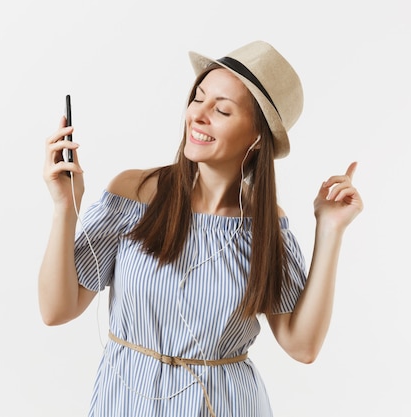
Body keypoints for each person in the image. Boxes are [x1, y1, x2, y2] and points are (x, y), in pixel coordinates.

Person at [39, 40, 363, 417]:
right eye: (199, 98)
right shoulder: (134, 194)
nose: (199, 115)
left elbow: (302, 346)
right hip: (126, 401)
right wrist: (65, 206)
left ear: (257, 137)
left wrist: (330, 229)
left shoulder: (265, 227)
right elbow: (55, 309)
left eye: (222, 109)